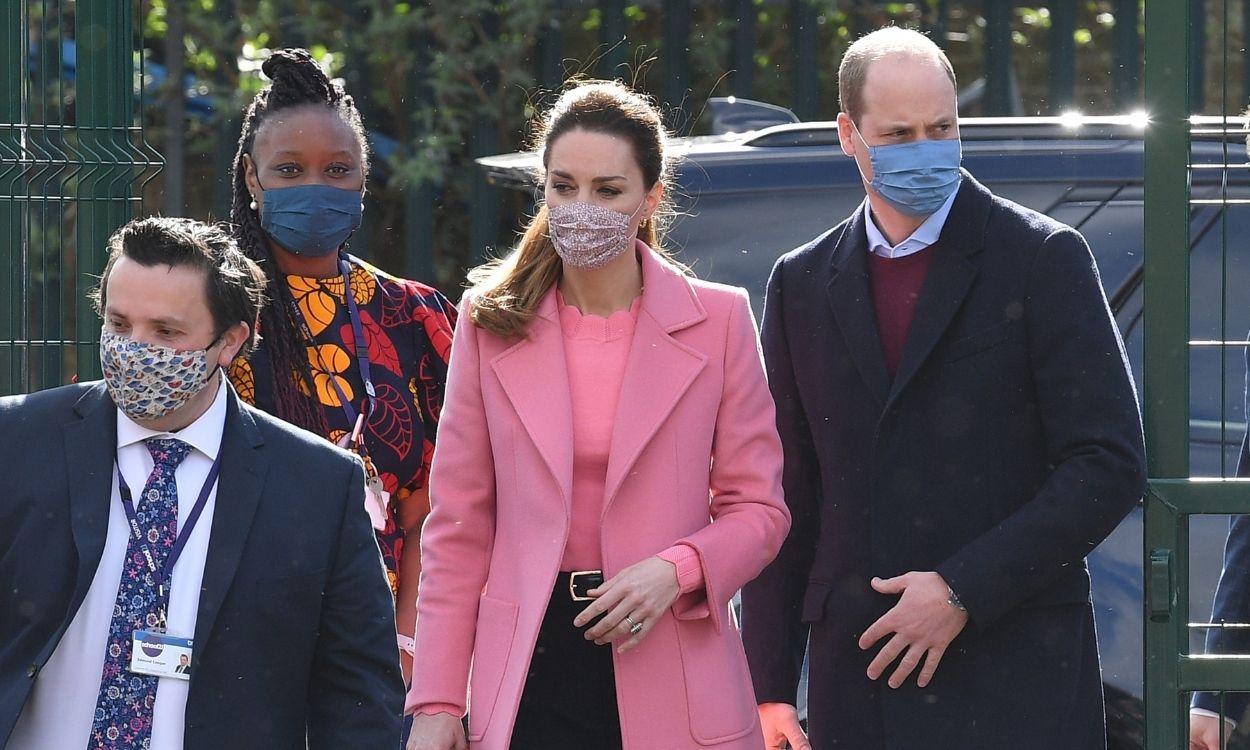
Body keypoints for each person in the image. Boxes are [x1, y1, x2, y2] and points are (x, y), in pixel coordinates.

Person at [740, 27, 1147, 750]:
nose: (926, 150)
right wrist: (769, 686)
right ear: (849, 135)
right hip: (861, 688)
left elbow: (1106, 464)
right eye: (899, 134)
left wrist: (963, 589)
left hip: (1017, 681)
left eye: (942, 128)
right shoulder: (800, 282)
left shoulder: (1042, 257)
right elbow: (787, 490)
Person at [404, 80, 790, 750]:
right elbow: (459, 526)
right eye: (564, 186)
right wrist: (437, 698)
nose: (582, 208)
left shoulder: (720, 320)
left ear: (650, 199)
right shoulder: (489, 323)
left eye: (608, 190)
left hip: (669, 649)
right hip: (529, 667)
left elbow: (761, 510)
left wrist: (679, 567)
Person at [0, 217, 403, 749]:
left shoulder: (317, 485)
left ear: (230, 341)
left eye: (165, 332)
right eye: (118, 324)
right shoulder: (19, 441)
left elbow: (358, 694)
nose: (134, 350)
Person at [225, 48, 456, 686]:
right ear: (251, 177)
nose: (315, 189)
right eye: (289, 170)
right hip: (235, 651)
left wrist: (407, 647)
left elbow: (441, 507)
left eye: (337, 170)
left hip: (379, 659)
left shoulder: (417, 319)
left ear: (362, 176)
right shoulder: (210, 314)